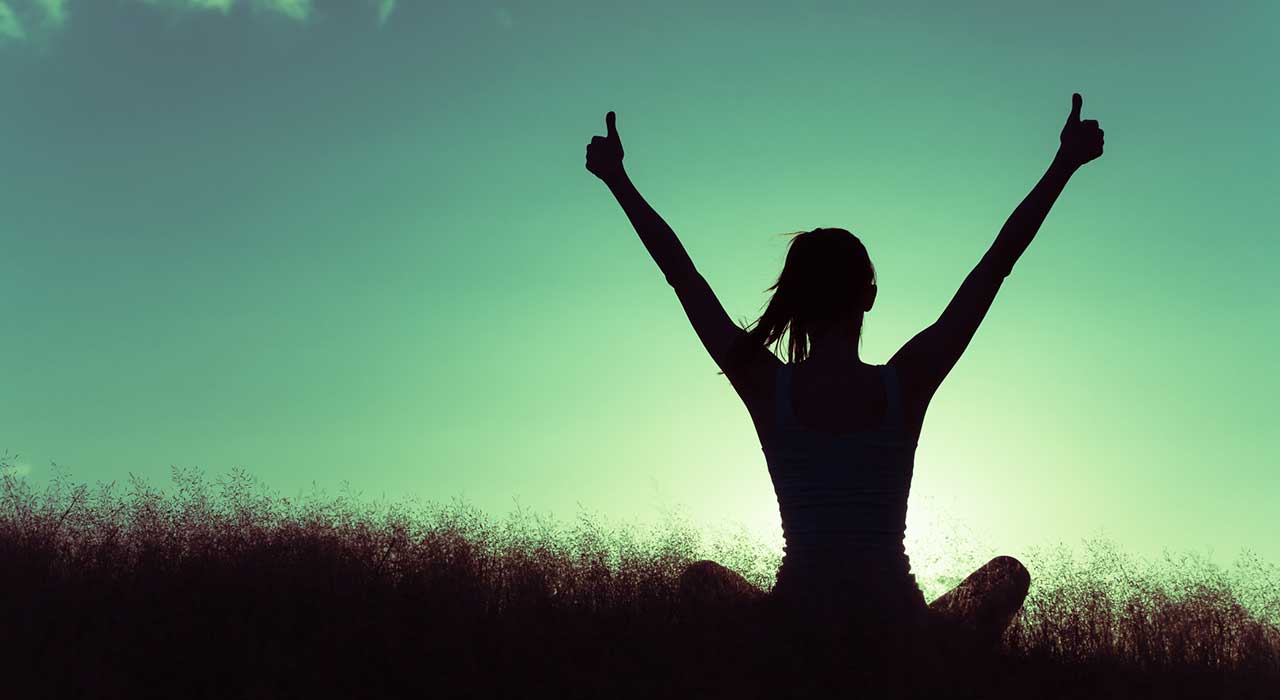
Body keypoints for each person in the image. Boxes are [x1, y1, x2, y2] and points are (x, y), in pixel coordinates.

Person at [584, 95, 1104, 650]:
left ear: (794, 299)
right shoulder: (905, 382)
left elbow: (681, 275)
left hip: (795, 630)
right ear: (870, 296)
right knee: (1008, 574)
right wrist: (1063, 165)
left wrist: (618, 180)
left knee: (699, 581)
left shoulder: (767, 385)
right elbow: (995, 266)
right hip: (899, 632)